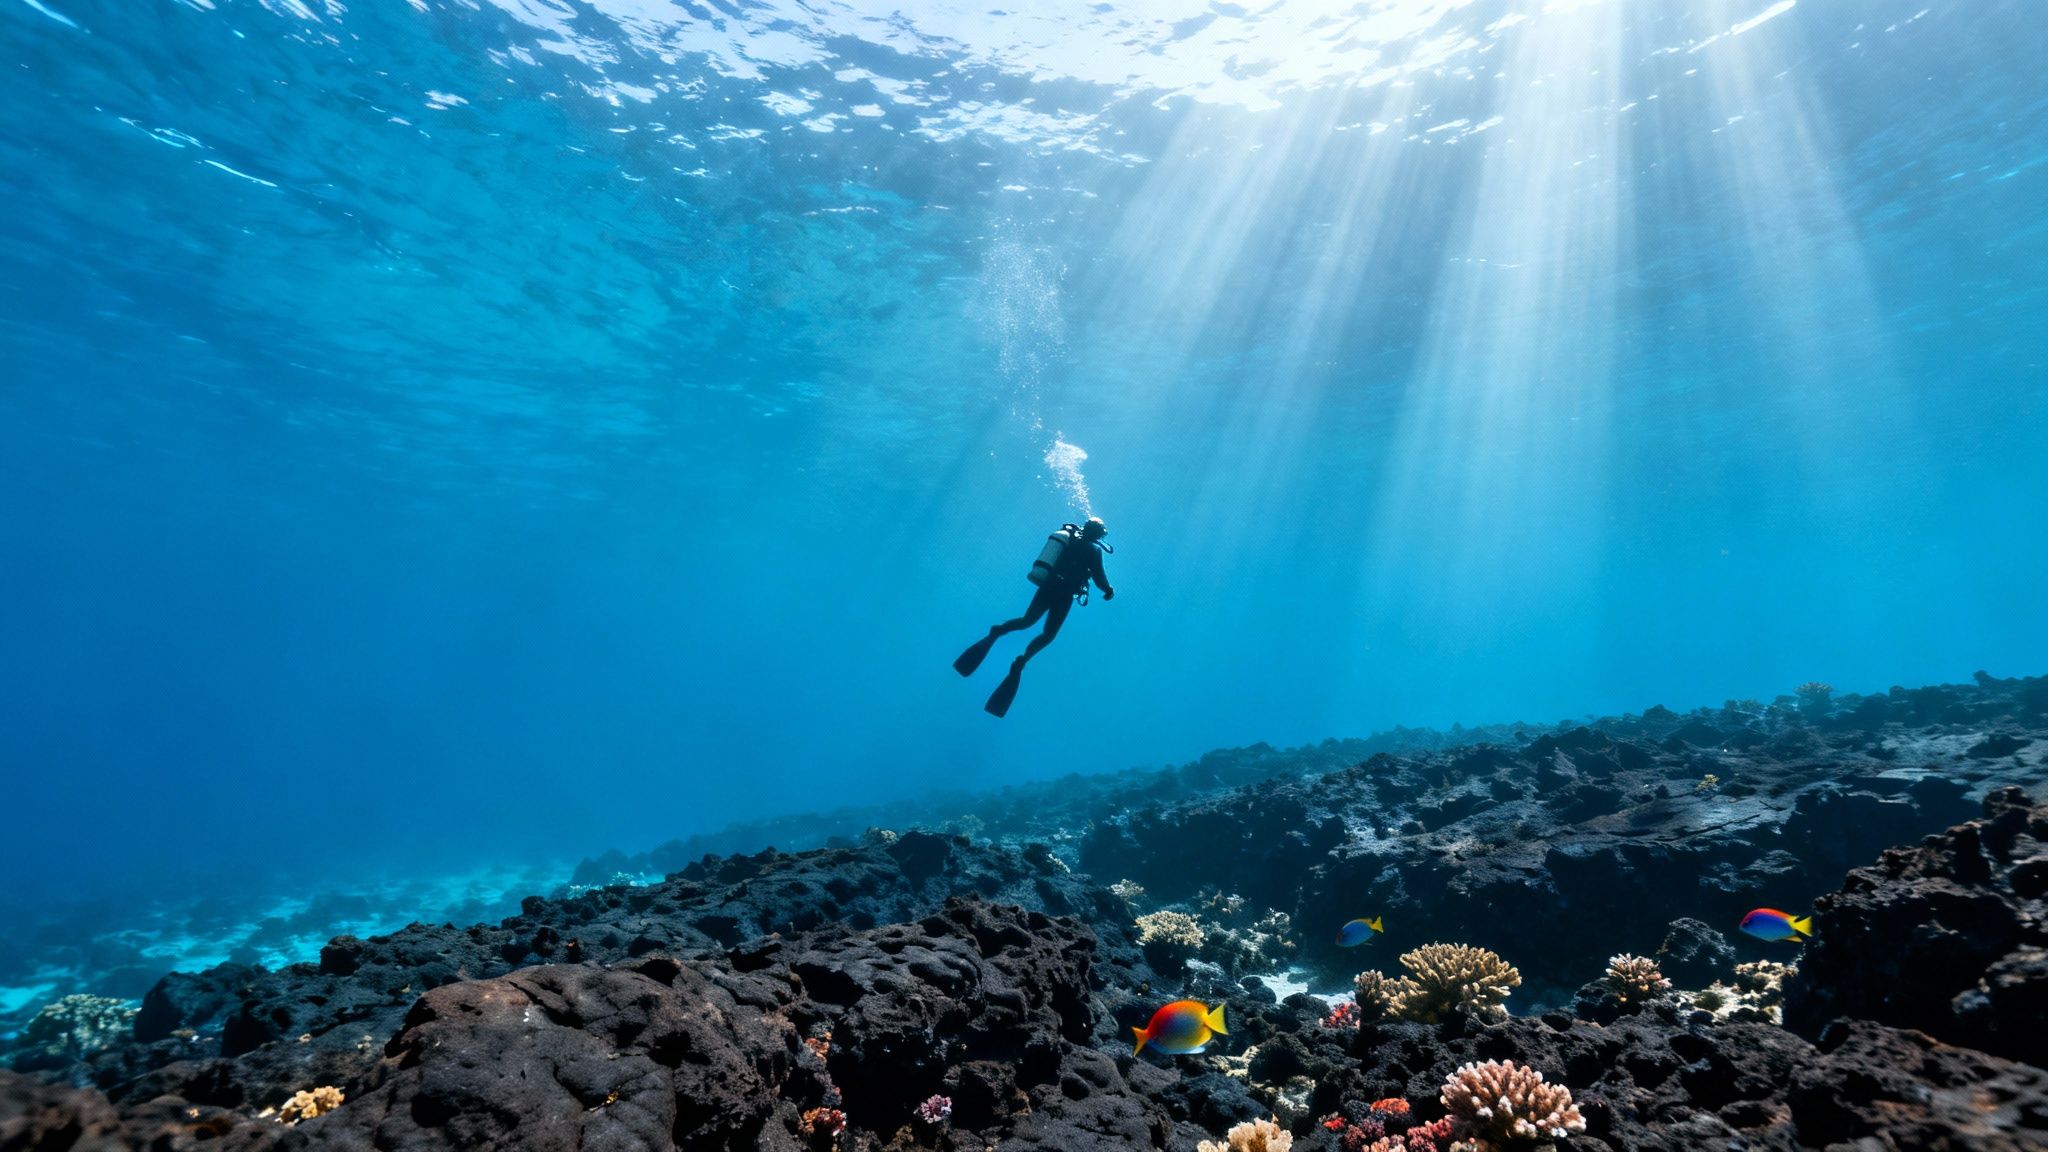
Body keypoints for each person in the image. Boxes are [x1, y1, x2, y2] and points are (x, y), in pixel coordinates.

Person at [954, 516, 1115, 717]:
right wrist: (1108, 590)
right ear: (1098, 534)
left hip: (1049, 586)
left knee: (1026, 621)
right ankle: (1022, 660)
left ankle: (998, 631)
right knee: (1048, 635)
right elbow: (1099, 576)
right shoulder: (1093, 550)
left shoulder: (1070, 540)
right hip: (1064, 595)